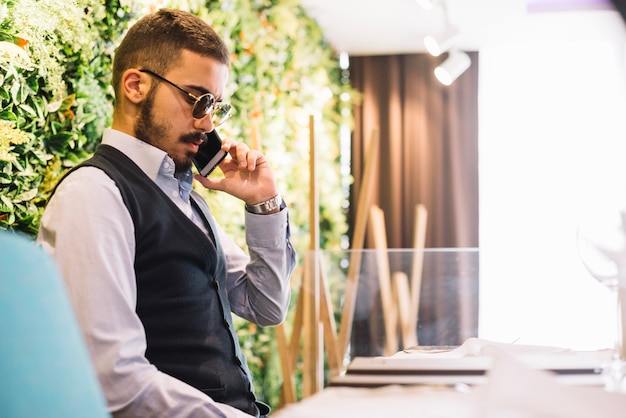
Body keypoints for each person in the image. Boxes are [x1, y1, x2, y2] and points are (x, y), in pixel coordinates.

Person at [37, 8, 295, 418]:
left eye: (216, 106)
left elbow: (266, 305)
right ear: (135, 85)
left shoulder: (185, 196)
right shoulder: (94, 194)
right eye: (198, 99)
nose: (208, 123)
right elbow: (113, 381)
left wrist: (263, 204)